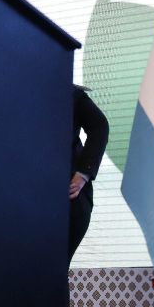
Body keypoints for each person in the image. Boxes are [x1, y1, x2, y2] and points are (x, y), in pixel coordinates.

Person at [69, 84, 109, 262]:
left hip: (68, 201)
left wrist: (84, 173)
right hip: (26, 201)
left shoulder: (69, 93)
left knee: (51, 273)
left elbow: (99, 126)